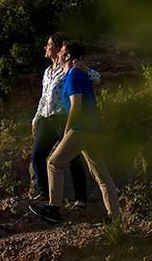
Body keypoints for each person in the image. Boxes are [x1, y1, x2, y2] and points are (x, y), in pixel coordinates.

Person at [29, 41, 121, 224]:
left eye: (62, 51)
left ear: (68, 56)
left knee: (54, 163)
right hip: (94, 130)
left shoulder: (73, 76)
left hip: (81, 129)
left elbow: (76, 106)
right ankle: (114, 217)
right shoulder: (75, 74)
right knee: (101, 174)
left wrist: (68, 128)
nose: (59, 54)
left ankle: (54, 209)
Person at [30, 32, 101, 206]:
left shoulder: (70, 70)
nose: (46, 48)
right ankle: (44, 192)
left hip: (64, 117)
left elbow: (97, 79)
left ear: (58, 48)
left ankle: (80, 197)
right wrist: (36, 117)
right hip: (46, 118)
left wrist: (85, 68)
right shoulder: (47, 72)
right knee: (38, 154)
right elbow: (44, 97)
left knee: (72, 157)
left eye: (49, 45)